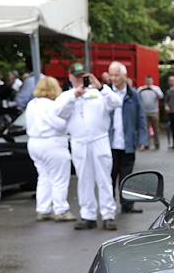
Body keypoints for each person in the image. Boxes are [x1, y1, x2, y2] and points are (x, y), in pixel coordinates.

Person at [55, 63, 122, 231]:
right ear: (70, 78)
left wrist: (101, 87)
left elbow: (116, 102)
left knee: (104, 178)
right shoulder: (67, 96)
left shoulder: (98, 93)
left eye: (82, 77)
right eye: (76, 77)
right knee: (84, 179)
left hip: (99, 139)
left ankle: (108, 215)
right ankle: (88, 215)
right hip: (79, 141)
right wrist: (74, 97)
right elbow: (58, 112)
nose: (79, 80)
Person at [25, 76, 75, 222]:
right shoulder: (50, 105)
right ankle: (60, 209)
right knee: (59, 178)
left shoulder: (32, 104)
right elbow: (60, 125)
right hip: (52, 143)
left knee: (44, 177)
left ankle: (43, 209)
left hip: (34, 143)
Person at [106, 62, 147, 215]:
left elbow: (141, 118)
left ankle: (127, 205)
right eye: (111, 75)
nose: (113, 78)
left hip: (128, 143)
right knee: (109, 177)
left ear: (124, 76)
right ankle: (108, 205)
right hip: (109, 144)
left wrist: (142, 139)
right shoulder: (105, 93)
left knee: (127, 177)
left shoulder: (133, 94)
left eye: (116, 75)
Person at [137, 75, 163, 150]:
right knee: (146, 129)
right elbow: (137, 97)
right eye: (147, 81)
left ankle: (157, 143)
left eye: (150, 81)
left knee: (155, 128)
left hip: (154, 111)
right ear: (145, 81)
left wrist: (153, 90)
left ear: (152, 81)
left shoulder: (156, 88)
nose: (148, 82)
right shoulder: (141, 89)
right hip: (144, 111)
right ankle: (147, 143)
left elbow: (161, 96)